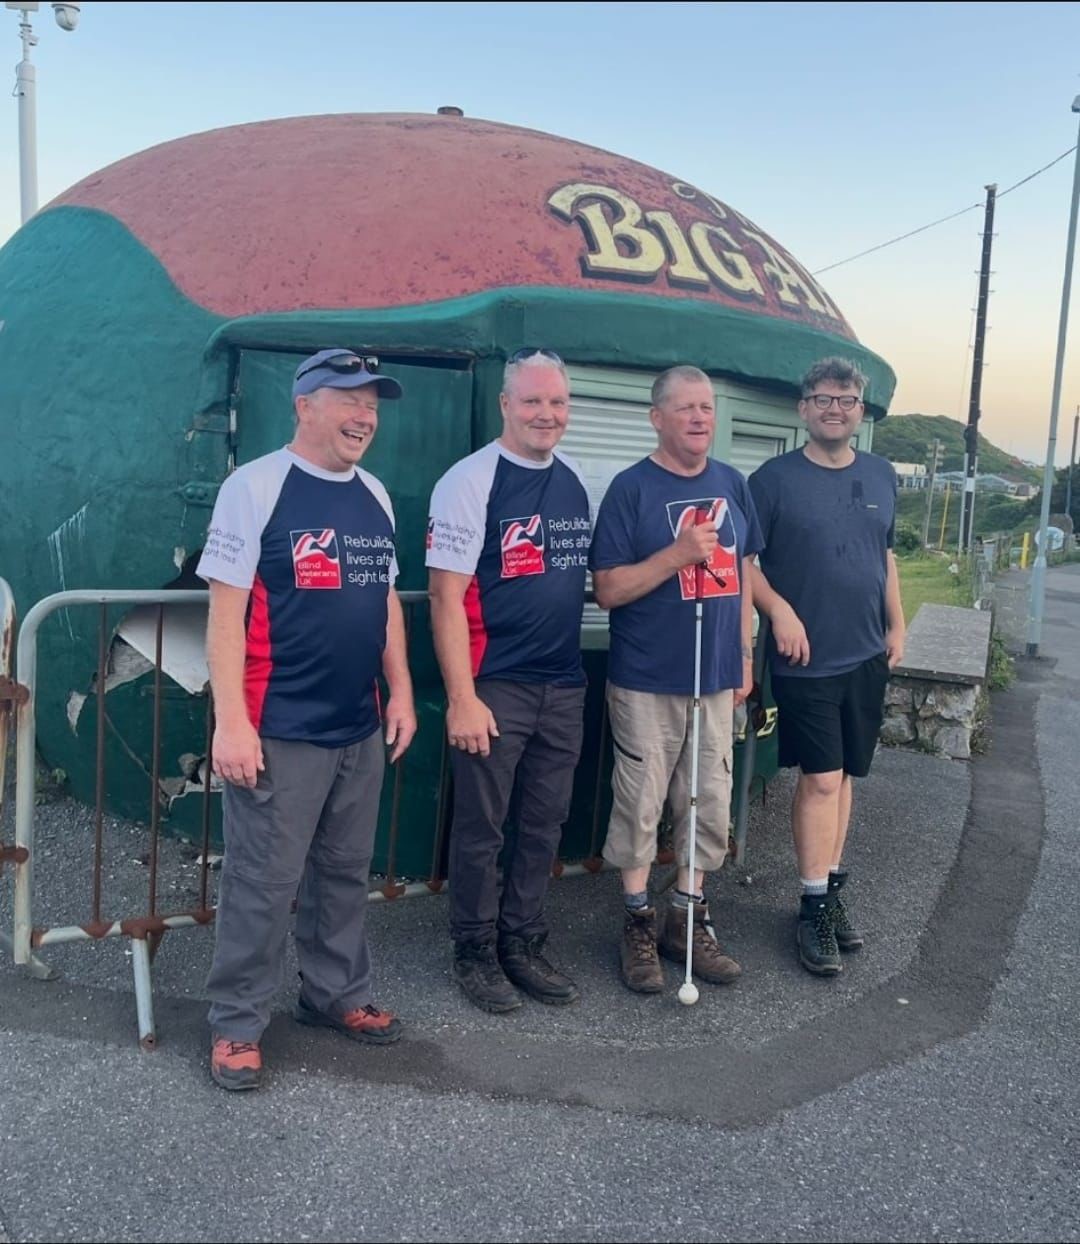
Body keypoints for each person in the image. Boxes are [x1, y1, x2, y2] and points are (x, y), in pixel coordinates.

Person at [197, 348, 417, 1091]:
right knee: (263, 880)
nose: (365, 417)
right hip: (277, 726)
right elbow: (224, 611)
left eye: (374, 406)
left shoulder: (375, 495)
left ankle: (335, 995)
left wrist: (404, 694)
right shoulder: (254, 486)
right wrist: (232, 721)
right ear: (305, 405)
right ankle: (235, 1024)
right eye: (350, 400)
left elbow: (384, 603)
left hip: (357, 724)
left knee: (343, 874)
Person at [426, 349, 591, 1013]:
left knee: (543, 824)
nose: (546, 414)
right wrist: (462, 698)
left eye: (557, 402)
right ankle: (475, 948)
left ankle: (523, 940)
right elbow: (444, 596)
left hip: (564, 682)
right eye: (532, 401)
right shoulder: (471, 480)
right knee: (482, 827)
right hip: (495, 686)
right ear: (505, 404)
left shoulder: (574, 479)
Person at [589, 365, 761, 994]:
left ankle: (687, 920)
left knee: (708, 802)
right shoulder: (630, 490)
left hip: (715, 678)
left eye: (707, 407)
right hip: (647, 679)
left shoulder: (732, 484)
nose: (699, 418)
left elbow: (742, 574)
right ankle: (637, 922)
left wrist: (743, 656)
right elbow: (608, 589)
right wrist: (675, 556)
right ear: (656, 417)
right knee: (640, 802)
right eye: (685, 408)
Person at [748, 356, 904, 977]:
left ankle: (831, 891)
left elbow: (884, 555)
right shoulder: (773, 480)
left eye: (846, 400)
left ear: (860, 412)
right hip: (807, 660)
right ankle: (812, 907)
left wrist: (896, 624)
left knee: (844, 781)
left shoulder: (882, 473)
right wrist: (780, 613)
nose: (834, 409)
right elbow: (743, 563)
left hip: (866, 653)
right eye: (823, 399)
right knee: (818, 779)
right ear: (803, 407)